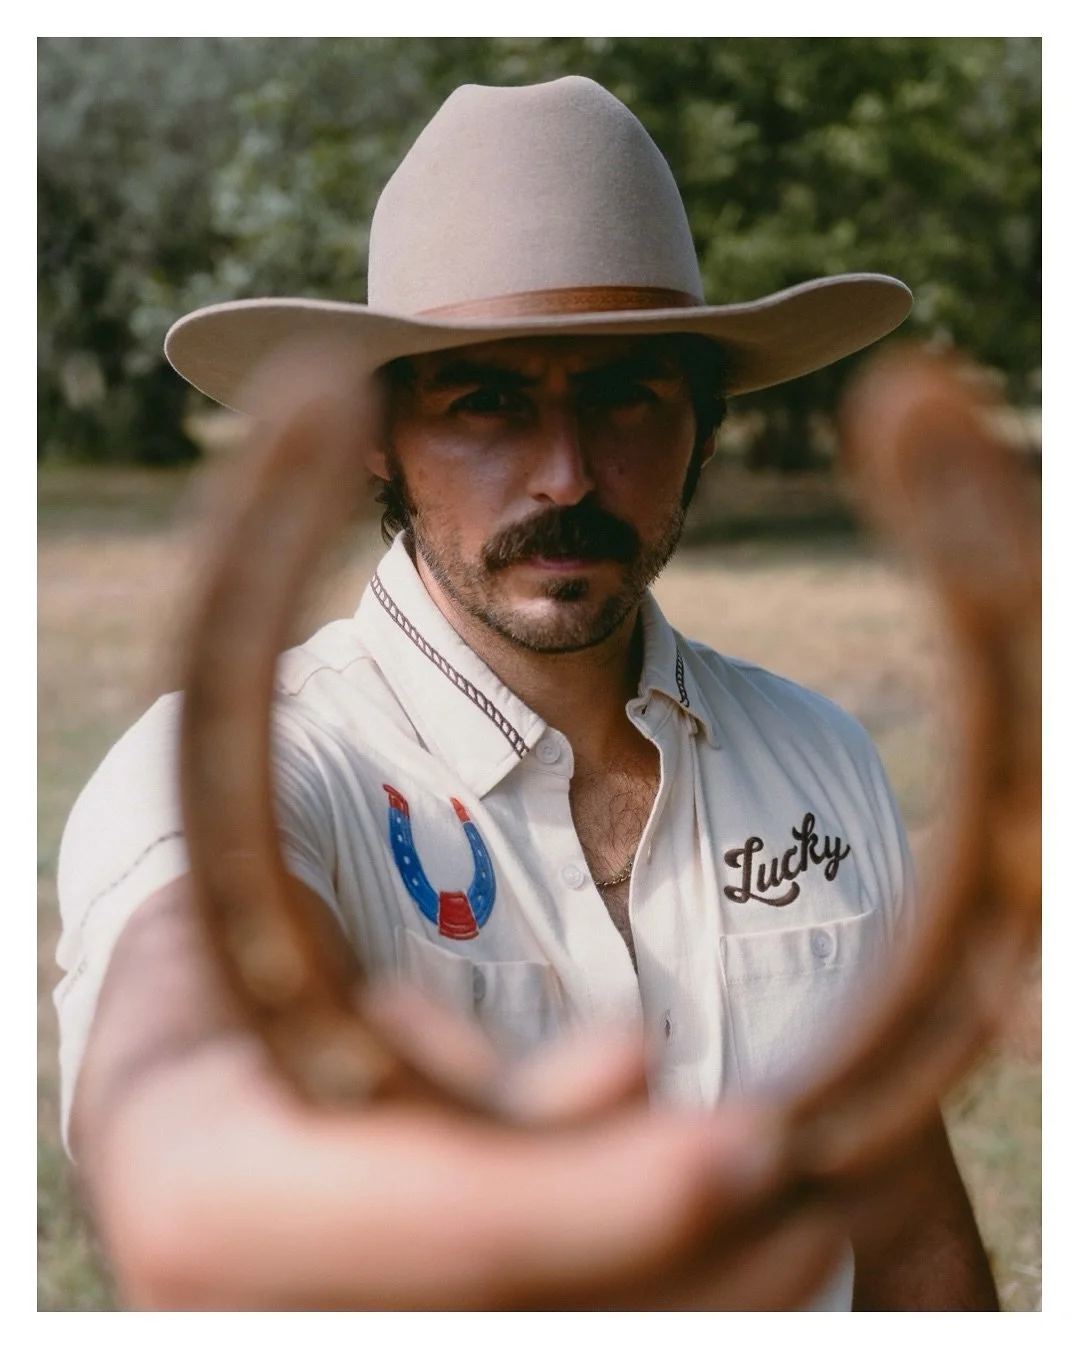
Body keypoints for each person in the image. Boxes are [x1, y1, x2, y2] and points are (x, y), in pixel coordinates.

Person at [54, 75, 999, 1311]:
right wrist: (187, 1135)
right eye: (486, 398)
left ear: (704, 427)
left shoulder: (819, 758)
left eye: (624, 395)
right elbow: (178, 995)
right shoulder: (247, 765)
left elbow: (906, 1218)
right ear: (380, 438)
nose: (565, 472)